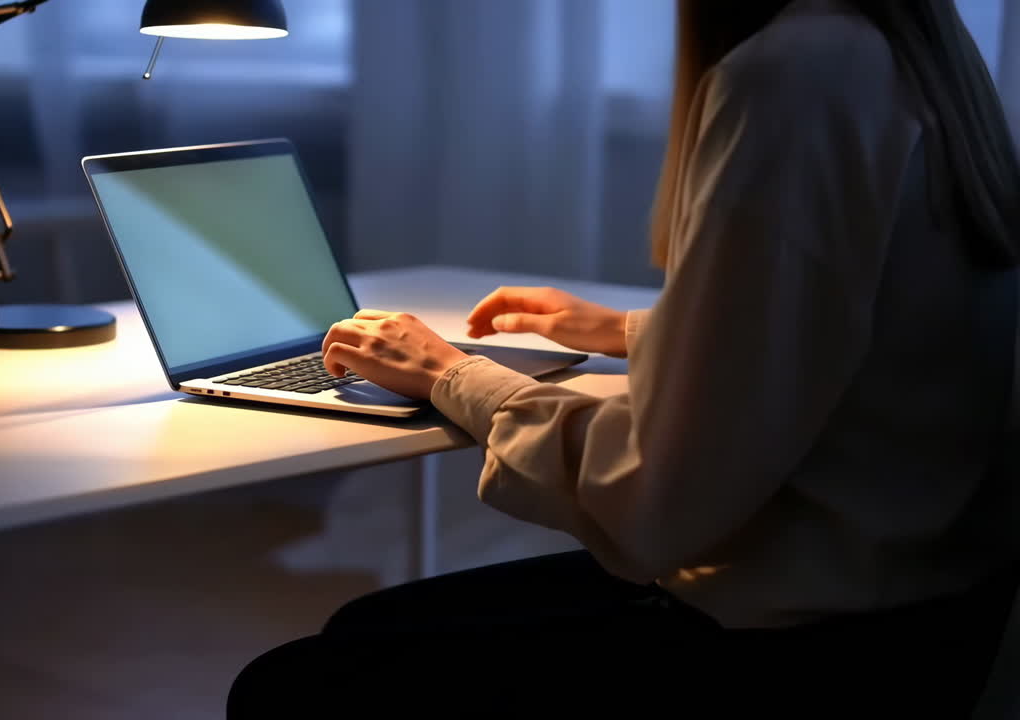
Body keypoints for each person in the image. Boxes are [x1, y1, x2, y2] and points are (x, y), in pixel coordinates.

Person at [228, 0, 1020, 716]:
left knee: (295, 686)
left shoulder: (794, 74)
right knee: (366, 628)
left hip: (798, 651)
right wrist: (638, 331)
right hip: (924, 623)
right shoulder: (912, 53)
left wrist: (448, 374)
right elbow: (865, 330)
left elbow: (657, 500)